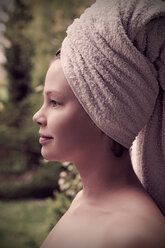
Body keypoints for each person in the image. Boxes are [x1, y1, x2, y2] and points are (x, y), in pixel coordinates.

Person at [33, 0, 165, 247]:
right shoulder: (85, 201)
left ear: (103, 113)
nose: (37, 116)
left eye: (55, 102)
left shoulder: (134, 235)